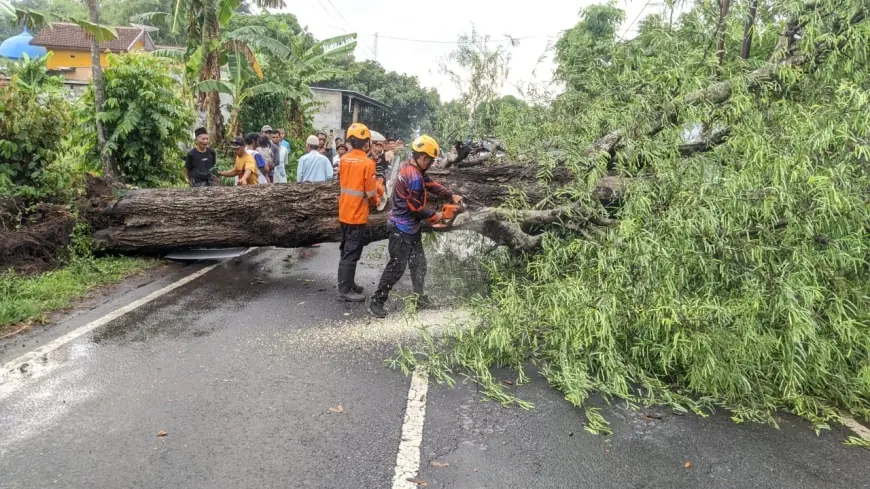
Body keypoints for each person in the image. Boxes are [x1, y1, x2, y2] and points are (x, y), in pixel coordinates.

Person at [369, 135, 463, 318]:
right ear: (422, 157)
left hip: (411, 228)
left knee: (419, 264)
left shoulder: (412, 168)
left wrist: (451, 195)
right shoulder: (413, 177)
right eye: (430, 160)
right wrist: (435, 215)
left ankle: (419, 298)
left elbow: (431, 185)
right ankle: (377, 302)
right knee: (396, 267)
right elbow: (415, 208)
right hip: (401, 229)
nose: (430, 163)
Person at [337, 123, 379, 302]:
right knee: (352, 252)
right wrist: (377, 200)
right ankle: (344, 291)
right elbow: (370, 193)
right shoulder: (368, 163)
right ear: (366, 143)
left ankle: (349, 283)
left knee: (346, 249)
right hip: (357, 214)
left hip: (344, 211)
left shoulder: (344, 159)